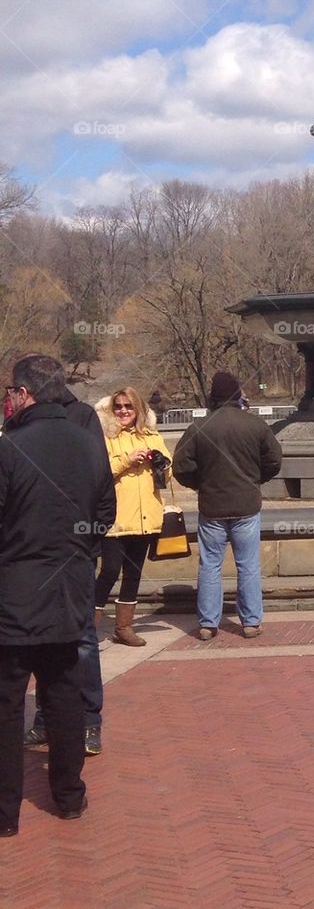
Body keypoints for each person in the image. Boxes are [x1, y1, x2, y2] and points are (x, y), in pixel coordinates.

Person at [0, 354, 115, 835]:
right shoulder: (89, 442)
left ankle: (6, 815)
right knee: (65, 696)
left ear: (24, 394)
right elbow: (105, 514)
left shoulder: (9, 447)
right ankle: (69, 796)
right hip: (69, 588)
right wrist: (76, 550)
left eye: (10, 392)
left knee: (8, 704)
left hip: (15, 594)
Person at [20, 359, 111, 756]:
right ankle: (44, 718)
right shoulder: (19, 424)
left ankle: (89, 720)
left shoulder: (83, 417)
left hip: (74, 556)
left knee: (83, 638)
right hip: (31, 559)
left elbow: (102, 493)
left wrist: (85, 541)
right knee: (40, 640)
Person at [173, 371, 283, 640]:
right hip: (246, 504)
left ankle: (208, 623)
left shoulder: (198, 428)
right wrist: (255, 480)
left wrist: (200, 484)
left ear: (213, 396)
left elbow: (181, 467)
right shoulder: (255, 425)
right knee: (248, 564)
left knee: (210, 565)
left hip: (212, 506)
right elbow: (274, 460)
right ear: (237, 395)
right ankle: (251, 622)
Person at [93, 387, 170, 647]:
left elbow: (167, 476)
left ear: (138, 409)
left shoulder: (152, 435)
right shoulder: (105, 437)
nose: (123, 411)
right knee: (109, 571)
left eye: (129, 406)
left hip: (145, 517)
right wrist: (127, 460)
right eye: (118, 406)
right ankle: (88, 626)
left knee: (133, 573)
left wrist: (160, 463)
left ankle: (123, 627)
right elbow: (99, 472)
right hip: (115, 519)